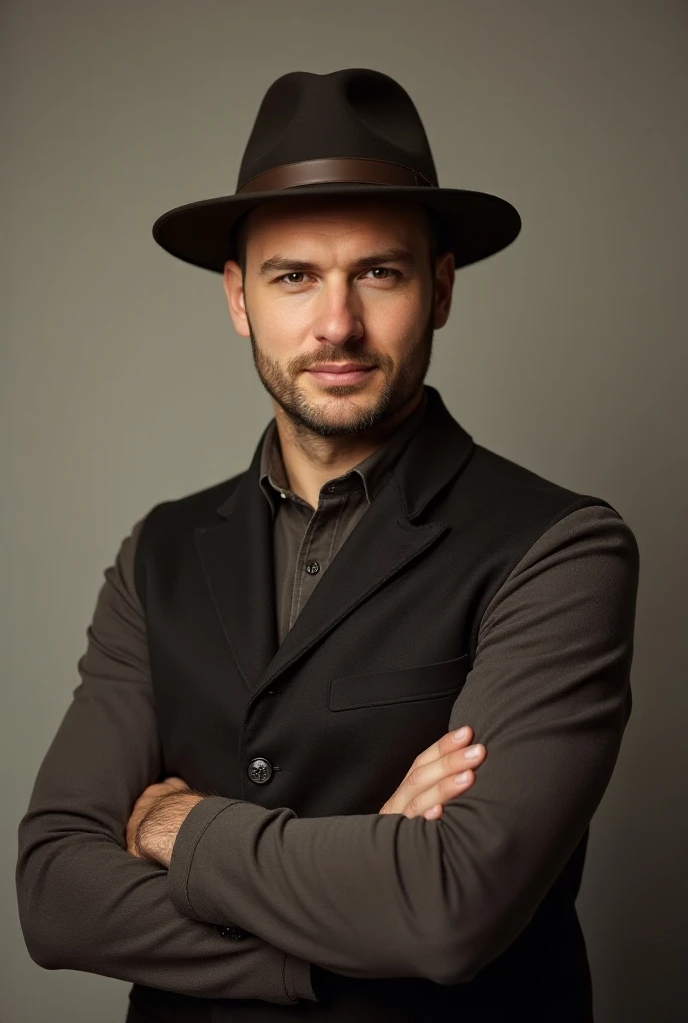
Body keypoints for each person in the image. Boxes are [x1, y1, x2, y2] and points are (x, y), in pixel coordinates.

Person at [16, 68, 639, 1022]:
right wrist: (344, 919)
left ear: (438, 290)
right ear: (239, 299)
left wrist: (177, 827)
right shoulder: (160, 551)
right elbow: (57, 892)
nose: (337, 324)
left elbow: (447, 909)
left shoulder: (560, 547)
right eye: (294, 276)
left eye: (378, 273)